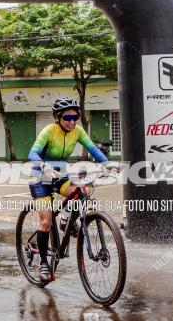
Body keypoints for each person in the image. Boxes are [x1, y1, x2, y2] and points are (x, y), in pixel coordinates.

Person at [28, 97, 112, 283]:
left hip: (60, 176)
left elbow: (92, 148)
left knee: (78, 190)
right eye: (67, 117)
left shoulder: (78, 131)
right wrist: (43, 166)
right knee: (46, 222)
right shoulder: (49, 131)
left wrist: (107, 164)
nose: (72, 121)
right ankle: (43, 263)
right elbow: (32, 153)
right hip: (40, 177)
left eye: (75, 117)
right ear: (58, 117)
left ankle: (66, 220)